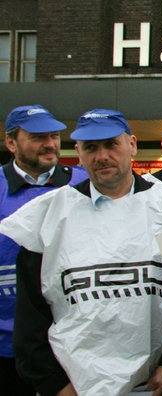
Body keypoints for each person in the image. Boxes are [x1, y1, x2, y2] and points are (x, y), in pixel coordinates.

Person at [0, 109, 162, 395]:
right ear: (78, 152)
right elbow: (31, 317)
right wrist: (55, 385)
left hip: (158, 385)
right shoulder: (45, 216)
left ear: (132, 145)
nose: (102, 157)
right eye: (91, 147)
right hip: (75, 387)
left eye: (111, 144)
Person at [0, 105, 89, 396]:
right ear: (11, 142)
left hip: (76, 343)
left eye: (53, 135)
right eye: (38, 137)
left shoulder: (85, 183)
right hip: (7, 346)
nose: (50, 144)